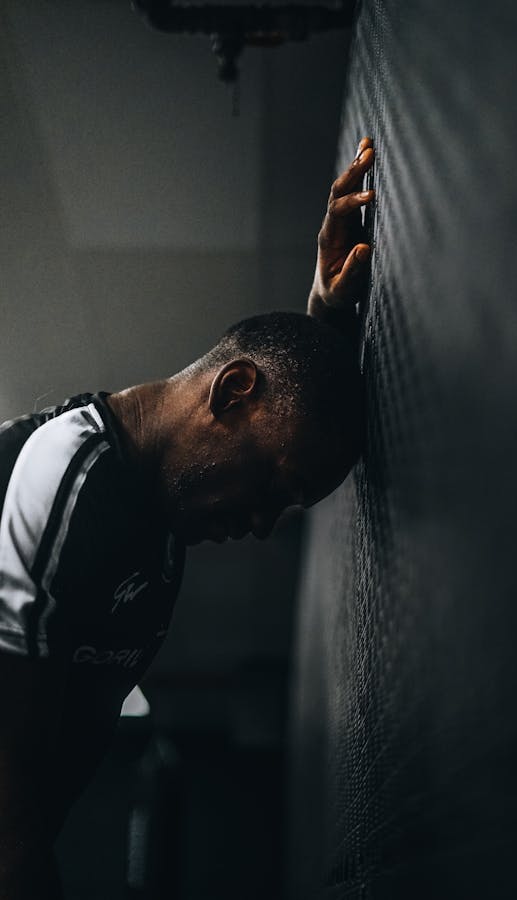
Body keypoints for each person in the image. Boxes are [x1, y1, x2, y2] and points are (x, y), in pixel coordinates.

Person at [0, 138, 375, 898]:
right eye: (273, 489)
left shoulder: (157, 505)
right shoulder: (68, 480)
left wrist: (327, 320)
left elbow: (281, 405)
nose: (263, 525)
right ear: (232, 392)